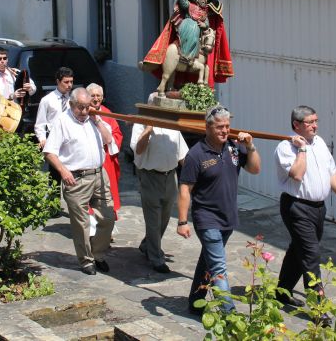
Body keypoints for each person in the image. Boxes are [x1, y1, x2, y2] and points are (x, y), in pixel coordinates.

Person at [178, 105, 261, 314]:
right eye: (219, 127)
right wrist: (182, 221)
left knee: (208, 260)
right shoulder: (196, 154)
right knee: (219, 269)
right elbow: (185, 188)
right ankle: (230, 315)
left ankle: (195, 301)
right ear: (208, 127)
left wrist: (250, 146)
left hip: (228, 217)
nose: (225, 131)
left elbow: (255, 169)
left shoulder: (234, 147)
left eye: (227, 126)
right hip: (206, 218)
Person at [274, 105, 336, 311]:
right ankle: (318, 308)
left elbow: (331, 172)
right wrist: (301, 149)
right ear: (296, 125)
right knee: (310, 254)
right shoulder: (285, 148)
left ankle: (282, 293)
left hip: (318, 208)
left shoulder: (320, 143)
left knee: (298, 250)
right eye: (310, 122)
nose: (315, 126)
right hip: (296, 207)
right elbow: (297, 174)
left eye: (316, 121)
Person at [43, 87, 115, 275]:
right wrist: (63, 171)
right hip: (77, 179)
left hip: (99, 175)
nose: (84, 111)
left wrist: (96, 119)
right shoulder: (62, 121)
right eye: (80, 108)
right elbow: (50, 152)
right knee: (81, 224)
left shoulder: (93, 119)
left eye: (87, 106)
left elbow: (108, 140)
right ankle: (86, 261)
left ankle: (98, 253)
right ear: (71, 104)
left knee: (108, 217)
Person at [130, 95, 188, 274]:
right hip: (150, 176)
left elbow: (182, 155)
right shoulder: (140, 124)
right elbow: (137, 150)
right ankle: (156, 257)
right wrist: (148, 129)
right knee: (153, 220)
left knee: (164, 217)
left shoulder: (173, 126)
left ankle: (147, 244)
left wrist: (194, 175)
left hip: (170, 176)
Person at [141, 0, 234, 89]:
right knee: (190, 39)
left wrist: (204, 25)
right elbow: (183, 2)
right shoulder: (190, 6)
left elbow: (206, 23)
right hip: (187, 27)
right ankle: (186, 57)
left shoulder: (204, 12)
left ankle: (193, 63)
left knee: (198, 43)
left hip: (196, 32)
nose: (205, 0)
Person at [87, 83, 122, 215]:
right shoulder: (81, 112)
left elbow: (117, 134)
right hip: (87, 158)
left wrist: (111, 140)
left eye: (99, 96)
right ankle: (90, 226)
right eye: (93, 95)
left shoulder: (107, 113)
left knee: (107, 190)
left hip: (105, 157)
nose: (96, 99)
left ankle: (108, 224)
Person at [35, 67, 74, 149]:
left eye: (71, 82)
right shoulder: (47, 100)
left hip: (71, 138)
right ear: (58, 82)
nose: (70, 85)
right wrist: (42, 139)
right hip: (53, 139)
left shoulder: (74, 99)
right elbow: (40, 123)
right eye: (66, 82)